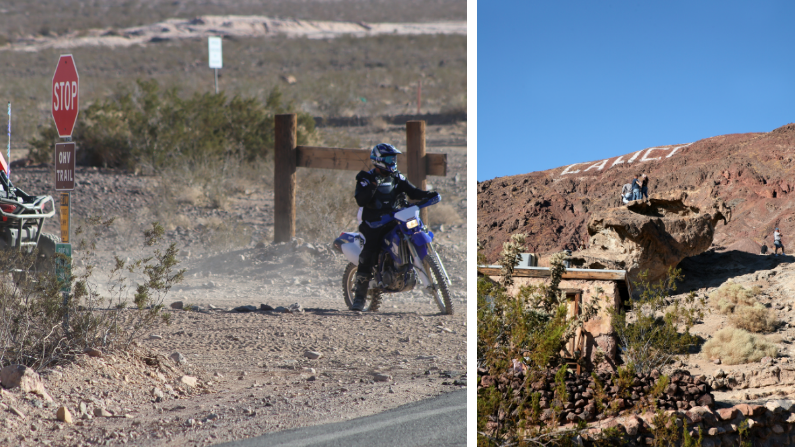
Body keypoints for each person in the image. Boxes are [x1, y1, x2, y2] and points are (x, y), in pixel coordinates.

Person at [351, 143, 438, 311]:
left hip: (395, 219)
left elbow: (413, 192)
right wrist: (373, 185)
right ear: (379, 160)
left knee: (415, 232)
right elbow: (361, 200)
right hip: (374, 223)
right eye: (390, 158)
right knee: (368, 254)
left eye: (394, 158)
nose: (393, 161)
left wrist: (429, 195)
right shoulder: (365, 178)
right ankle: (359, 297)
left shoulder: (397, 177)